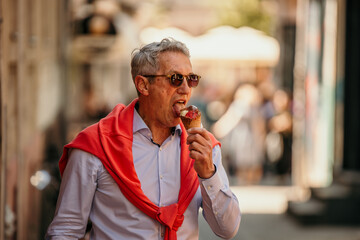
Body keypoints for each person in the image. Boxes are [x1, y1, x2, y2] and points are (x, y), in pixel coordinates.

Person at [45, 38, 241, 240]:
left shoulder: (204, 147)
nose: (185, 89)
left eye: (191, 79)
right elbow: (66, 230)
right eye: (175, 79)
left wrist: (209, 173)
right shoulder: (95, 145)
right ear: (143, 85)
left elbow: (227, 229)